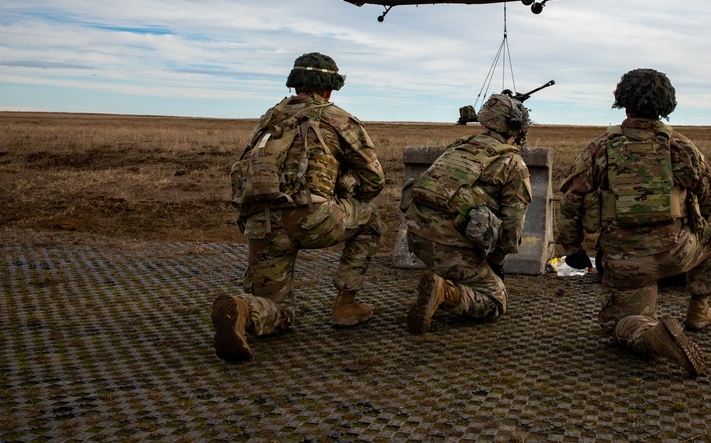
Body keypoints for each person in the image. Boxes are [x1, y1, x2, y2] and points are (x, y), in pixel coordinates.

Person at [211, 52, 386, 362]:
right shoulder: (338, 118)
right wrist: (345, 188)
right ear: (330, 89)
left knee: (280, 310)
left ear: (295, 84)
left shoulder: (271, 118)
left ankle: (245, 311)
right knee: (370, 218)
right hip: (313, 219)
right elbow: (374, 180)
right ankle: (346, 304)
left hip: (260, 224)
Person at [556, 68, 711, 377]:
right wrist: (695, 218)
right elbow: (708, 194)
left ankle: (652, 336)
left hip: (625, 263)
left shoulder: (600, 148)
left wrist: (572, 246)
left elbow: (570, 200)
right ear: (666, 105)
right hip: (678, 255)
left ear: (623, 102)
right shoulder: (681, 147)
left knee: (620, 326)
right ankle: (699, 309)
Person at [403, 93, 532, 334]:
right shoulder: (513, 162)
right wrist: (497, 261)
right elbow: (513, 224)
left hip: (415, 236)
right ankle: (446, 292)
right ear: (515, 128)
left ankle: (446, 278)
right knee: (496, 301)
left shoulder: (458, 146)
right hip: (449, 247)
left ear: (484, 122)